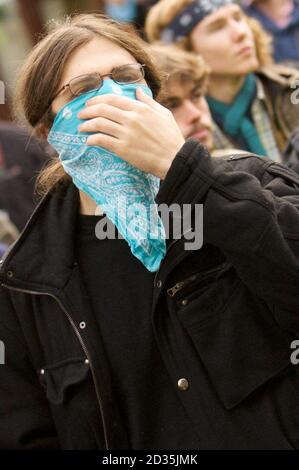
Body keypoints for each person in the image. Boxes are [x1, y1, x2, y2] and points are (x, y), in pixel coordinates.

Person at [1, 13, 299, 450]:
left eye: (126, 77)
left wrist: (185, 170)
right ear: (50, 131)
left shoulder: (246, 184)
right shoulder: (26, 282)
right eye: (83, 90)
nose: (114, 97)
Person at [145, 0, 299, 162]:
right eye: (218, 27)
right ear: (183, 49)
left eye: (238, 18)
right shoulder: (183, 126)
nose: (241, 32)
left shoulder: (293, 87)